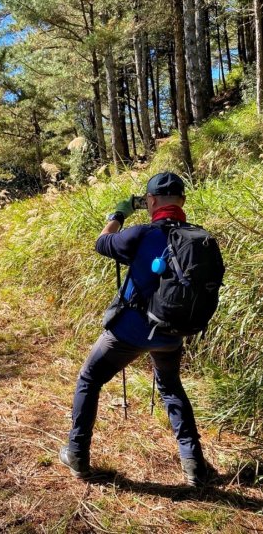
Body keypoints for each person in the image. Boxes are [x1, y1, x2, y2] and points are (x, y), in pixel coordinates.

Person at [60, 172, 211, 487]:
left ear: (151, 202)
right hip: (172, 334)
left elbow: (101, 242)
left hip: (128, 334)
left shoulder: (140, 234)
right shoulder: (200, 237)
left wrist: (118, 214)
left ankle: (77, 454)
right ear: (182, 201)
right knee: (170, 387)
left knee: (89, 378)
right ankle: (194, 464)